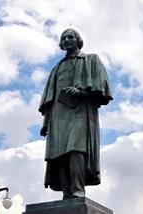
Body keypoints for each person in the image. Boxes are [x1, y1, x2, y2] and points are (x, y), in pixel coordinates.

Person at [39, 28, 112, 199]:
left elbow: (102, 87)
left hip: (80, 111)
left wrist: (82, 92)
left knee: (76, 149)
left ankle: (78, 188)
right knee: (60, 153)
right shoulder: (57, 68)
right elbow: (49, 97)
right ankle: (66, 191)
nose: (66, 40)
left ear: (78, 39)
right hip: (58, 115)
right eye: (63, 38)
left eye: (70, 37)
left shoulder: (91, 59)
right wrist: (45, 122)